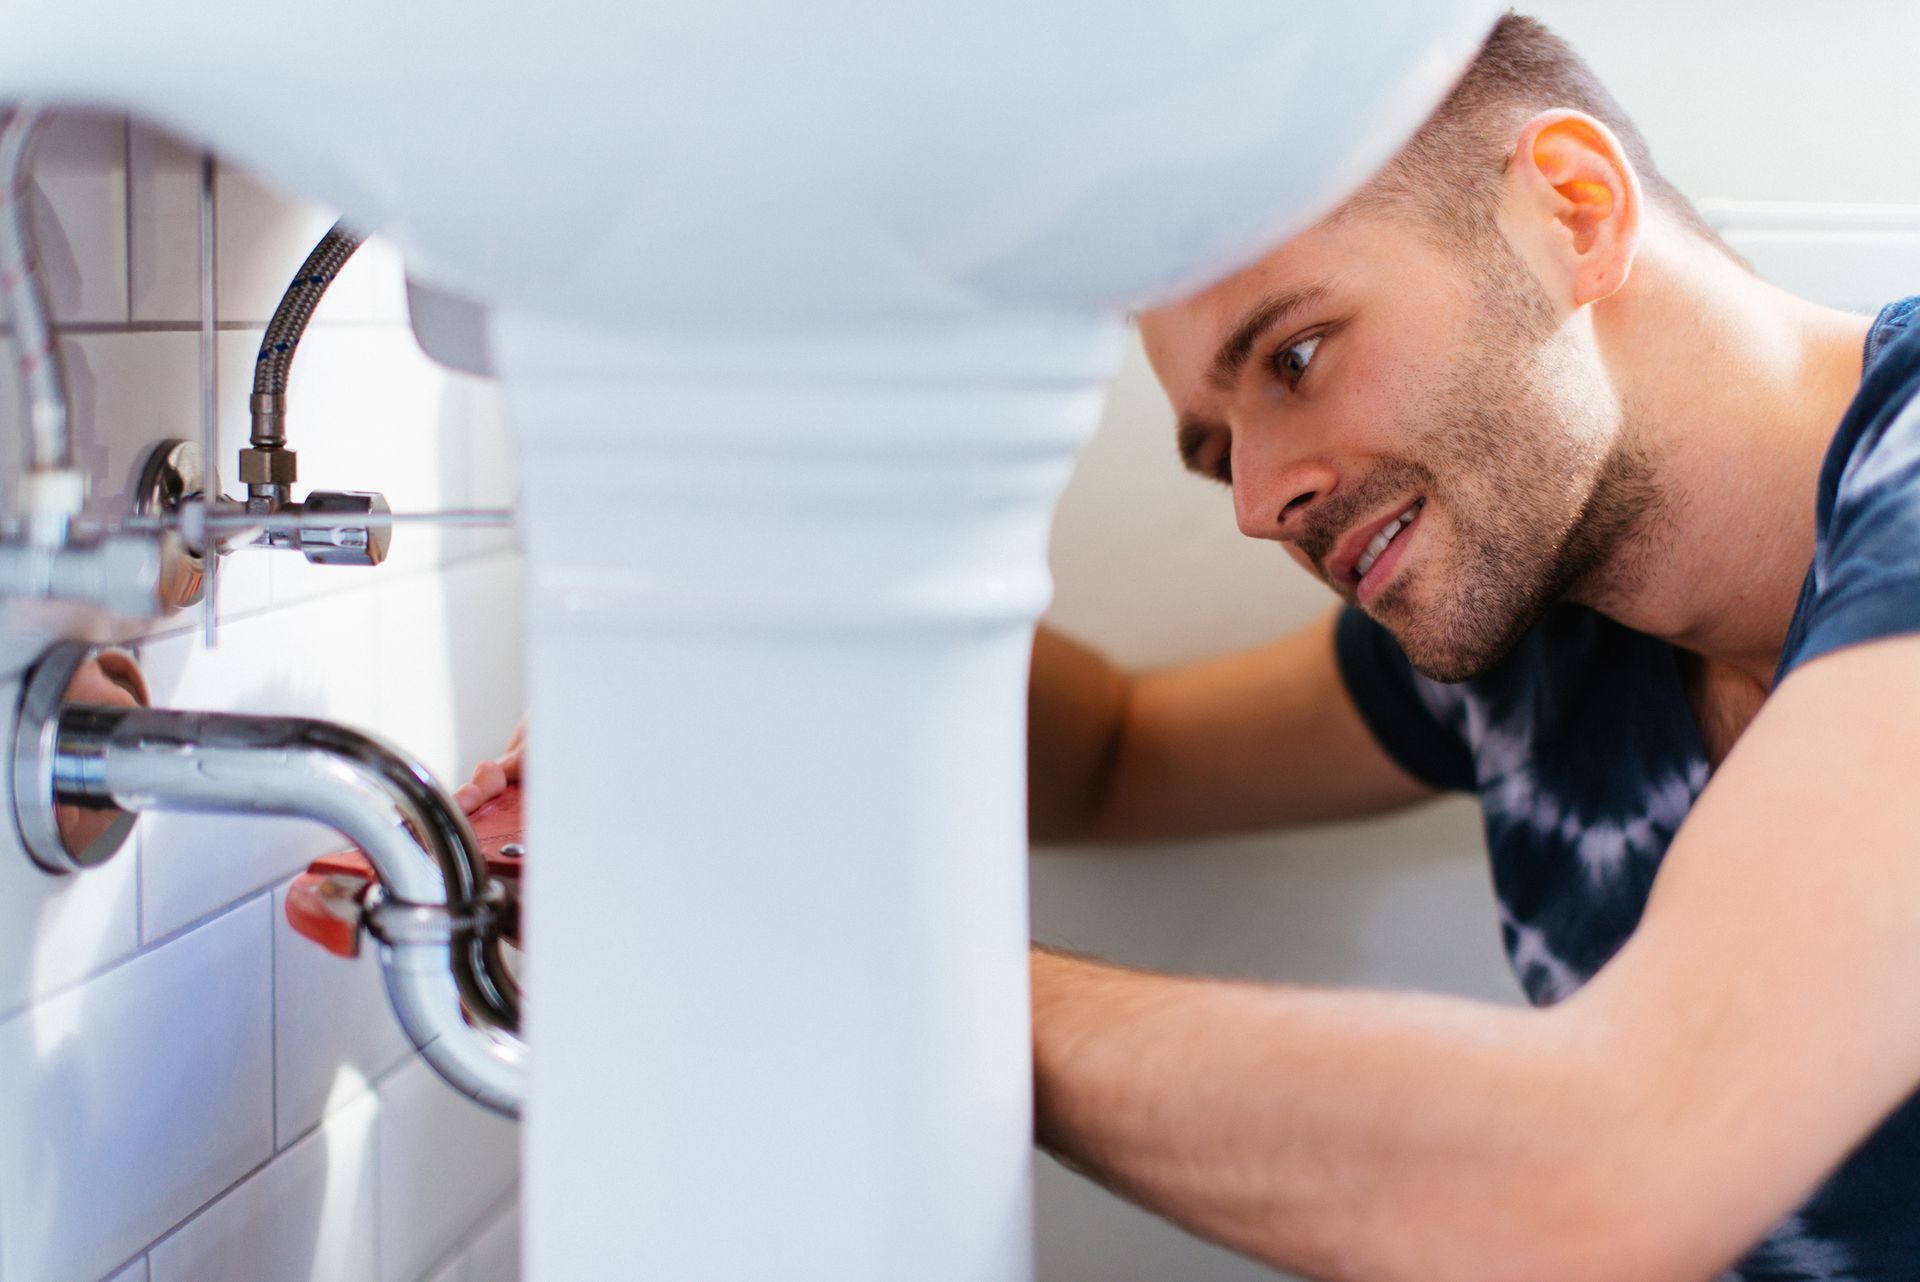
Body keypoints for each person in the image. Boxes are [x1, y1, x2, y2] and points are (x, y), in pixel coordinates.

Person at [1025, 14, 1920, 1282]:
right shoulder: (1537, 625)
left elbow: (1614, 1174)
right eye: (1220, 451)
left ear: (1574, 210)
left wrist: (945, 995)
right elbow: (1119, 757)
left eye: (1295, 356)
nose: (1258, 503)